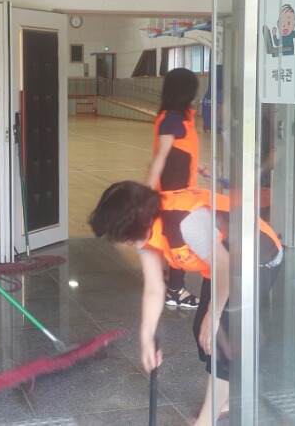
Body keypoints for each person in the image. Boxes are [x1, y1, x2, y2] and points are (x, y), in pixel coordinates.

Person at [89, 181, 282, 425]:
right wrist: (146, 338)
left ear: (139, 223)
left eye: (126, 238)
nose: (126, 244)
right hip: (222, 263)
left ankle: (207, 420)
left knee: (221, 337)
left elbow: (225, 271)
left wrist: (214, 316)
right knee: (202, 331)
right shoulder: (144, 228)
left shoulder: (185, 221)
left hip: (257, 256)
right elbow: (154, 288)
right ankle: (225, 395)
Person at [145, 68, 209, 309]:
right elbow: (161, 157)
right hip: (173, 193)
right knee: (177, 240)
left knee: (175, 237)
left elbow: (179, 151)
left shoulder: (180, 117)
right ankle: (175, 291)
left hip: (183, 190)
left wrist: (199, 167)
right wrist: (146, 194)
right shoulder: (172, 118)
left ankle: (171, 285)